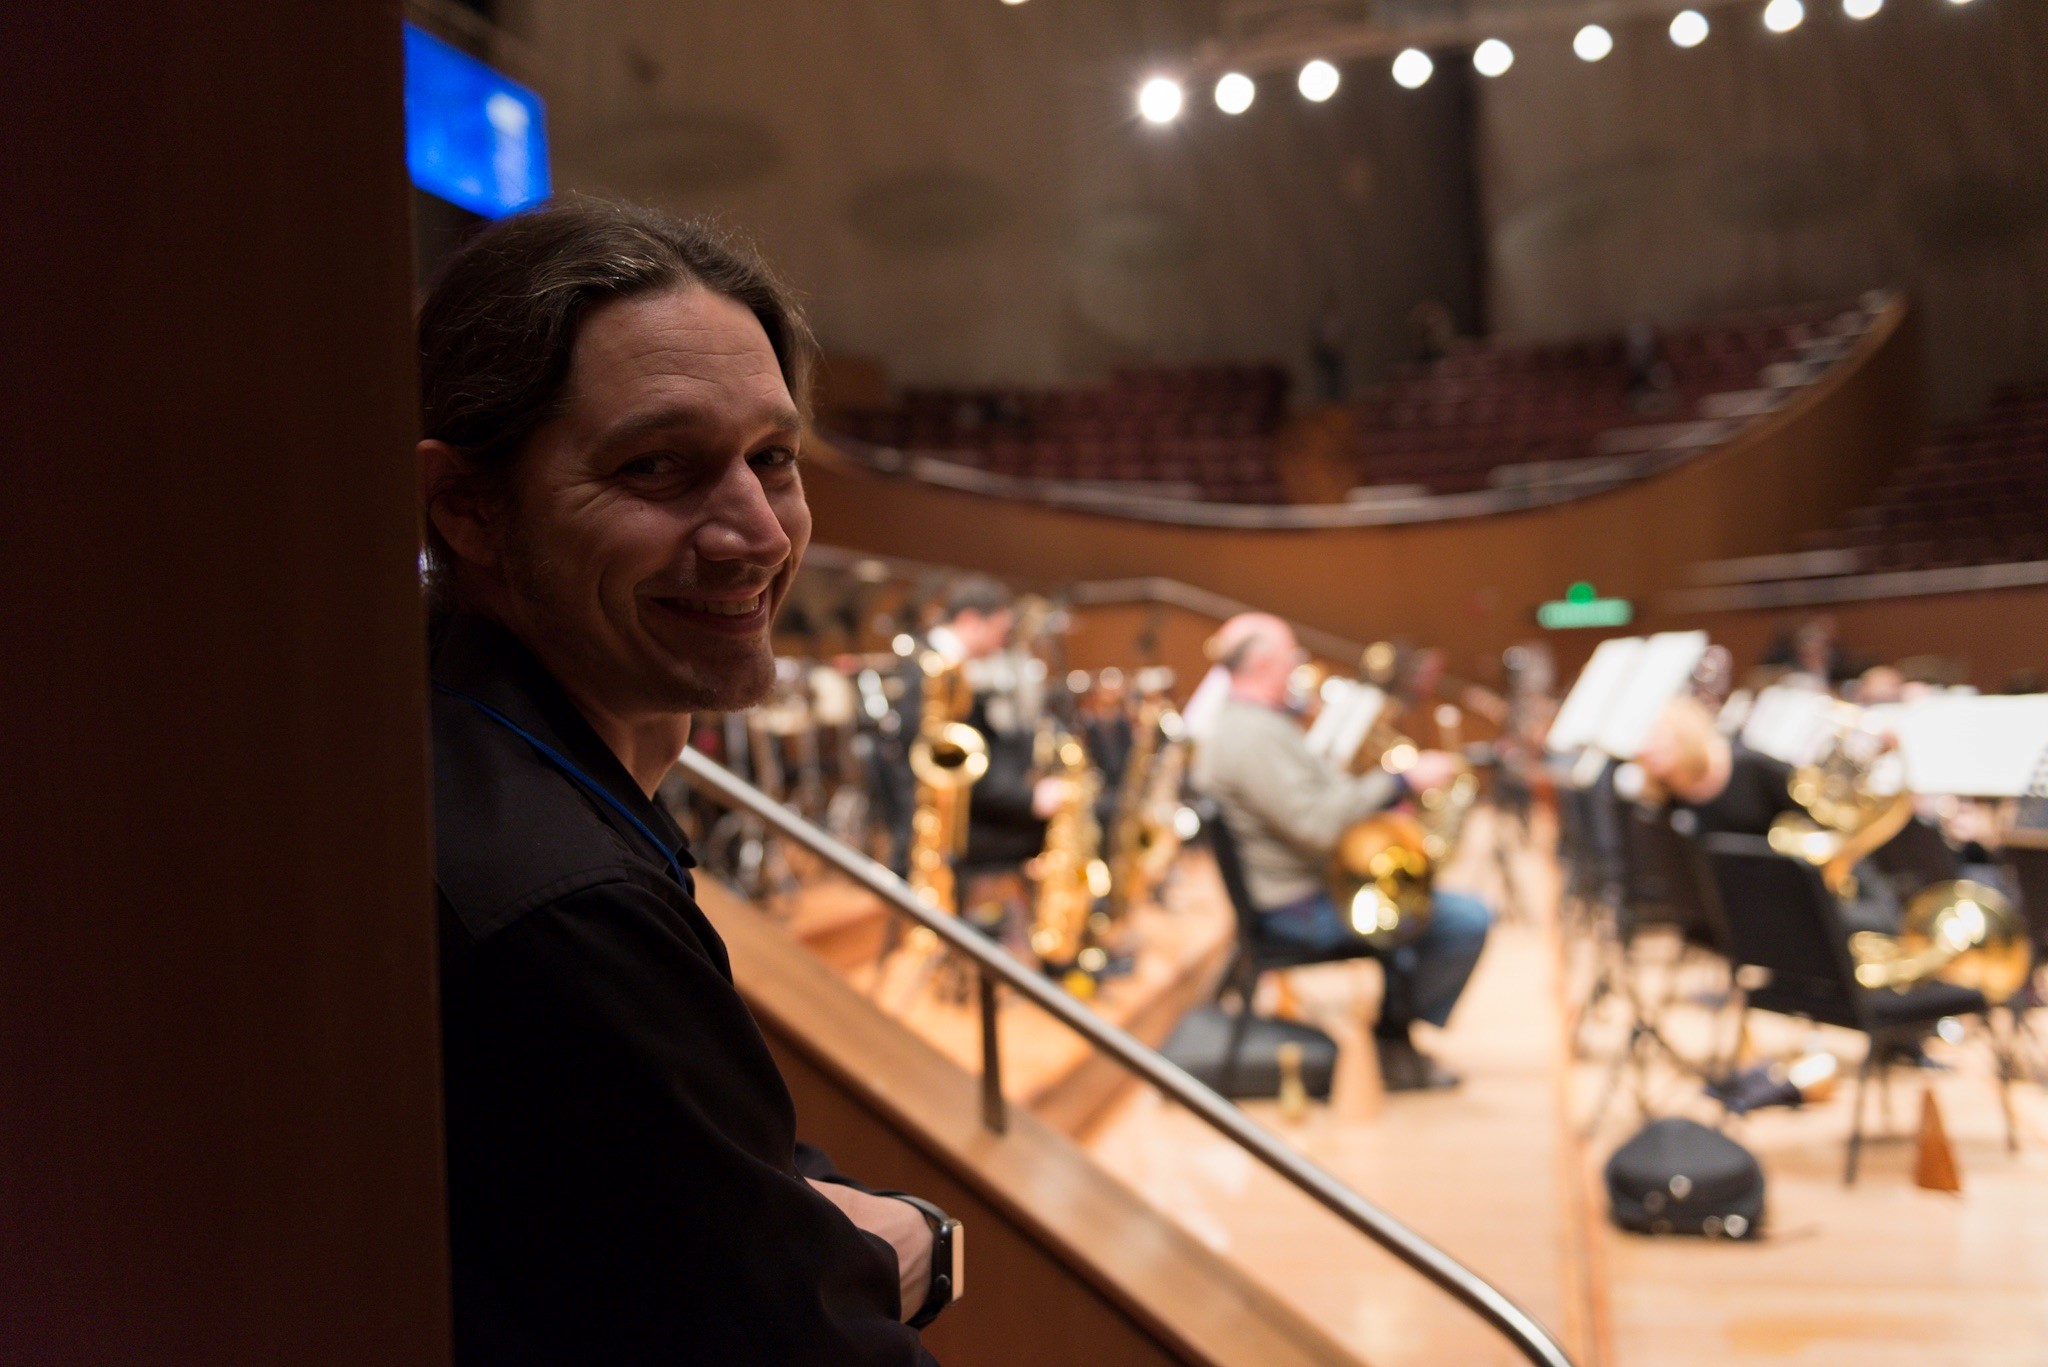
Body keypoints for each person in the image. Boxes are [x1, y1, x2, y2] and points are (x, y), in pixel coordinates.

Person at [418, 198, 951, 1365]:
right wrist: (911, 1242)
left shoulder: (485, 755)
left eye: (772, 458)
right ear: (469, 507)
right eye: (659, 466)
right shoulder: (556, 899)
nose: (755, 533)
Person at [1191, 613, 1493, 1091]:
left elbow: (1315, 805)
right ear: (1266, 662)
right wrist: (1397, 781)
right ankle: (1392, 1040)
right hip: (1296, 906)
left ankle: (1395, 1034)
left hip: (1309, 886)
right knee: (1463, 921)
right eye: (1292, 656)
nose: (1297, 666)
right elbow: (1316, 825)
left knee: (1434, 906)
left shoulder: (1260, 725)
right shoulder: (1249, 736)